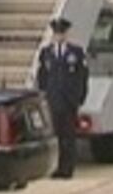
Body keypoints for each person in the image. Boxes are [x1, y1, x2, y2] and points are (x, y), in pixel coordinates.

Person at [34, 16, 89, 179]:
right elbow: (42, 76)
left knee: (68, 136)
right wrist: (44, 95)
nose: (59, 36)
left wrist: (79, 97)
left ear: (66, 34)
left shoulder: (76, 53)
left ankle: (68, 168)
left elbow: (82, 76)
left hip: (68, 100)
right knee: (55, 135)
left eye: (61, 33)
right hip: (53, 99)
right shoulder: (46, 53)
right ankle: (57, 167)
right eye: (56, 33)